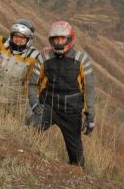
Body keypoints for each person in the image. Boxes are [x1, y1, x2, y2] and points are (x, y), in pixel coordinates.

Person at [28, 20, 96, 167]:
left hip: (71, 111)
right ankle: (28, 163)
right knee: (30, 129)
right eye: (55, 39)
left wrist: (90, 114)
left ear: (69, 39)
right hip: (48, 106)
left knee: (76, 155)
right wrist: (34, 104)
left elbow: (89, 88)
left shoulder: (82, 59)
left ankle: (78, 178)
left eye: (62, 38)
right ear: (51, 40)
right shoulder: (44, 58)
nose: (58, 42)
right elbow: (33, 84)